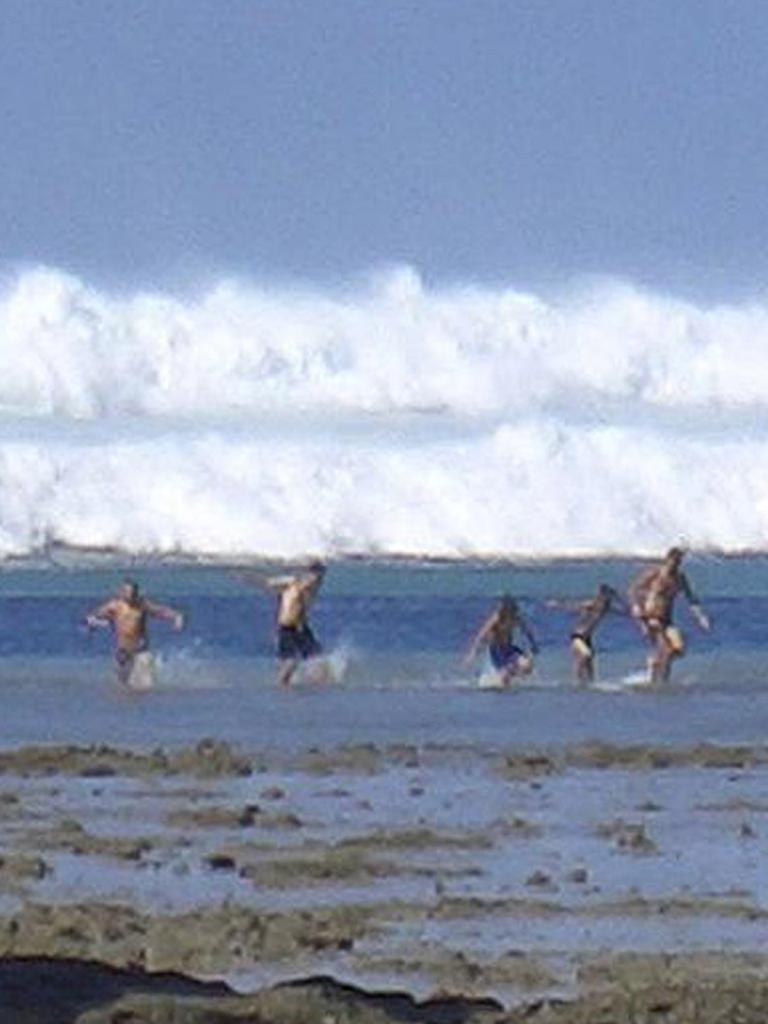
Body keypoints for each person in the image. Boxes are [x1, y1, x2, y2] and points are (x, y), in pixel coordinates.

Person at [628, 547, 711, 685]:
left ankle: (656, 665)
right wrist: (636, 607)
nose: (674, 566)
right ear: (667, 560)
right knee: (666, 650)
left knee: (679, 649)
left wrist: (701, 617)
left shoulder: (679, 578)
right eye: (672, 562)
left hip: (667, 619)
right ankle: (659, 682)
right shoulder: (655, 574)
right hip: (651, 618)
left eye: (678, 563)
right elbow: (633, 590)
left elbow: (691, 598)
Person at [242, 561, 327, 686]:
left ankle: (315, 683)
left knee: (316, 657)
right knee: (290, 661)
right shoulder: (293, 584)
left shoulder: (309, 587)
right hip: (288, 627)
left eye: (318, 576)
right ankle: (284, 685)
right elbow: (269, 583)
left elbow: (302, 603)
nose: (315, 579)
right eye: (314, 575)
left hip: (300, 627)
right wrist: (248, 577)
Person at [85, 579, 184, 685]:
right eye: (127, 592)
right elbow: (93, 616)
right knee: (123, 685)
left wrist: (177, 617)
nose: (130, 595)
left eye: (133, 593)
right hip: (123, 651)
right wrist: (94, 623)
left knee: (145, 683)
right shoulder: (114, 606)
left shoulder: (142, 605)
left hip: (141, 649)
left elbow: (161, 611)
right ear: (122, 592)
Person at [547, 584, 629, 683]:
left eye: (609, 598)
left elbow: (625, 612)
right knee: (586, 655)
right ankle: (577, 682)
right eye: (605, 597)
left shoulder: (606, 608)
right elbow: (573, 606)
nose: (607, 600)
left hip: (588, 639)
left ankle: (588, 688)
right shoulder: (591, 605)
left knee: (590, 668)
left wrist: (620, 600)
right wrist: (556, 605)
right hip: (578, 637)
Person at [464, 595, 538, 686]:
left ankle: (511, 674)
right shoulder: (496, 618)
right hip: (497, 651)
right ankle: (499, 678)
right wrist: (472, 654)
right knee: (503, 680)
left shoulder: (517, 618)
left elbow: (527, 631)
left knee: (528, 666)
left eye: (513, 614)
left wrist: (533, 645)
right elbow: (481, 636)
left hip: (510, 649)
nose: (511, 617)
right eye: (509, 614)